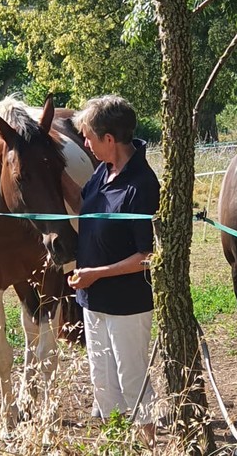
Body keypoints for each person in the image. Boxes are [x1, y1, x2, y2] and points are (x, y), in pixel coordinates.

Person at [68, 95, 159, 448]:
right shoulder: (101, 175)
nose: (86, 145)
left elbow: (147, 256)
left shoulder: (142, 185)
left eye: (89, 137)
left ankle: (147, 447)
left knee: (132, 379)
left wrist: (97, 273)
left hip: (128, 303)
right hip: (93, 299)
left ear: (109, 139)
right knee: (102, 380)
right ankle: (118, 446)